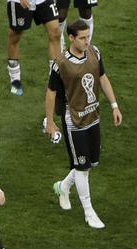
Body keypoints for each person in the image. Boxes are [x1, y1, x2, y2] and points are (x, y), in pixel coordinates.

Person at [46, 19, 123, 229]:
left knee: (90, 164)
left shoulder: (95, 53)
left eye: (88, 36)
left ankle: (63, 186)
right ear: (71, 38)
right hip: (75, 121)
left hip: (93, 116)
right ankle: (89, 212)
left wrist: (114, 105)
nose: (86, 41)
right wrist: (51, 122)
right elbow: (51, 93)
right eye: (82, 38)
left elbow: (103, 78)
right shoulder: (60, 63)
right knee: (82, 167)